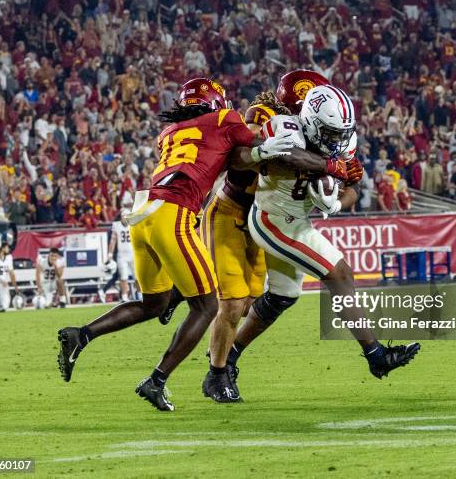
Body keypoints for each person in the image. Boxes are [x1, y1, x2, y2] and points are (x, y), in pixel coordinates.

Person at [56, 78, 341, 410]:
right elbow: (255, 152)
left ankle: (82, 335)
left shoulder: (169, 133)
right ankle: (157, 381)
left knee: (154, 305)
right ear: (215, 102)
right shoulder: (226, 119)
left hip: (143, 209)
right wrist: (280, 154)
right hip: (174, 212)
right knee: (207, 307)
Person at [226, 85, 420, 400]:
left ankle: (226, 359)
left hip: (297, 221)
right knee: (340, 274)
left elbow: (354, 185)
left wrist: (337, 203)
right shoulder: (285, 127)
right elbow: (290, 156)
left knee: (282, 296)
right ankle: (376, 356)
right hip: (273, 220)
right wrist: (331, 169)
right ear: (312, 121)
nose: (338, 140)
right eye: (330, 132)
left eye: (341, 132)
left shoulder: (342, 141)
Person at [201, 70, 334, 400]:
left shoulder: (311, 129)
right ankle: (217, 376)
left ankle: (219, 348)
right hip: (232, 211)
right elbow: (242, 161)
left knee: (248, 303)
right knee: (232, 304)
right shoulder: (264, 116)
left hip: (261, 218)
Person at [106, 209, 137, 302]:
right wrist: (110, 254)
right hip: (122, 255)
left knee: (137, 277)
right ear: (121, 217)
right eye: (124, 216)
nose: (125, 218)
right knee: (123, 277)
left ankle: (140, 294)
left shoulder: (134, 224)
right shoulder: (116, 225)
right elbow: (113, 240)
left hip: (133, 254)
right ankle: (124, 296)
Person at [0, 242, 18, 309]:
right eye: (7, 247)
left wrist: (15, 286)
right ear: (2, 248)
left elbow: (11, 273)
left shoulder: (9, 258)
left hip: (4, 283)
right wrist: (1, 281)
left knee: (6, 304)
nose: (8, 249)